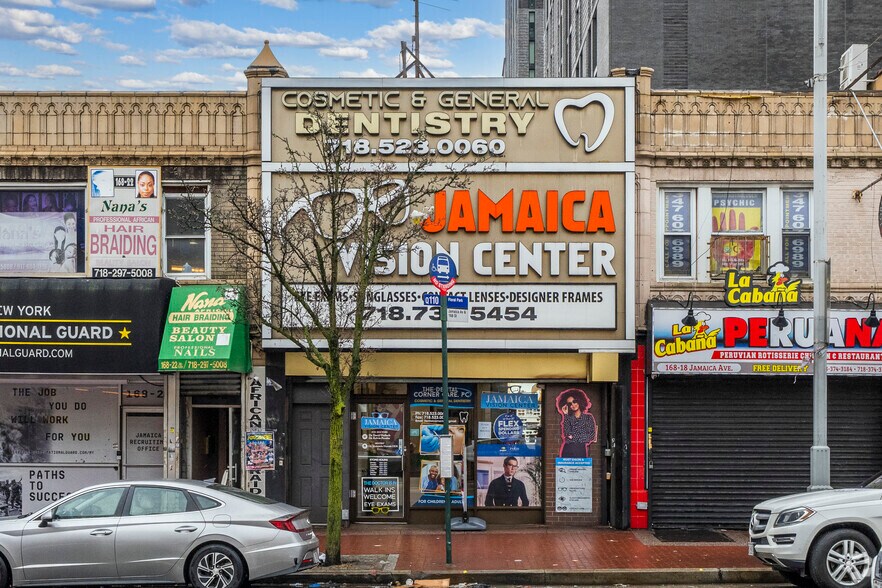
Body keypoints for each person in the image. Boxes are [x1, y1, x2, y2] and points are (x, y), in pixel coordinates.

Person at [557, 388, 597, 458]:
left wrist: (574, 437)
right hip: (568, 449)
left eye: (574, 401)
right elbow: (567, 433)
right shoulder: (568, 417)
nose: (573, 405)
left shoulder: (588, 417)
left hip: (581, 450)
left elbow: (591, 436)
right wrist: (565, 414)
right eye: (570, 404)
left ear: (579, 401)